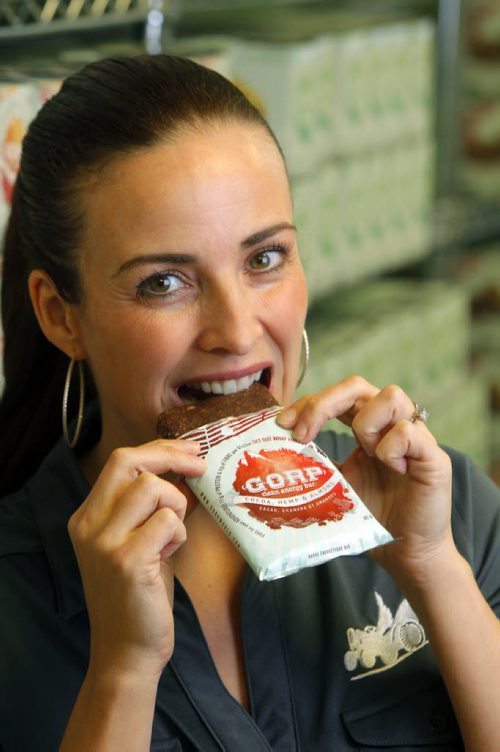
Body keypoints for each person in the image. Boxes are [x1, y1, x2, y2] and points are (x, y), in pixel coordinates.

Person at [0, 54, 498, 752]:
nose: (236, 331)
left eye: (264, 259)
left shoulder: (440, 510)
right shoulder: (17, 598)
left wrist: (433, 568)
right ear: (61, 316)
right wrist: (125, 671)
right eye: (164, 282)